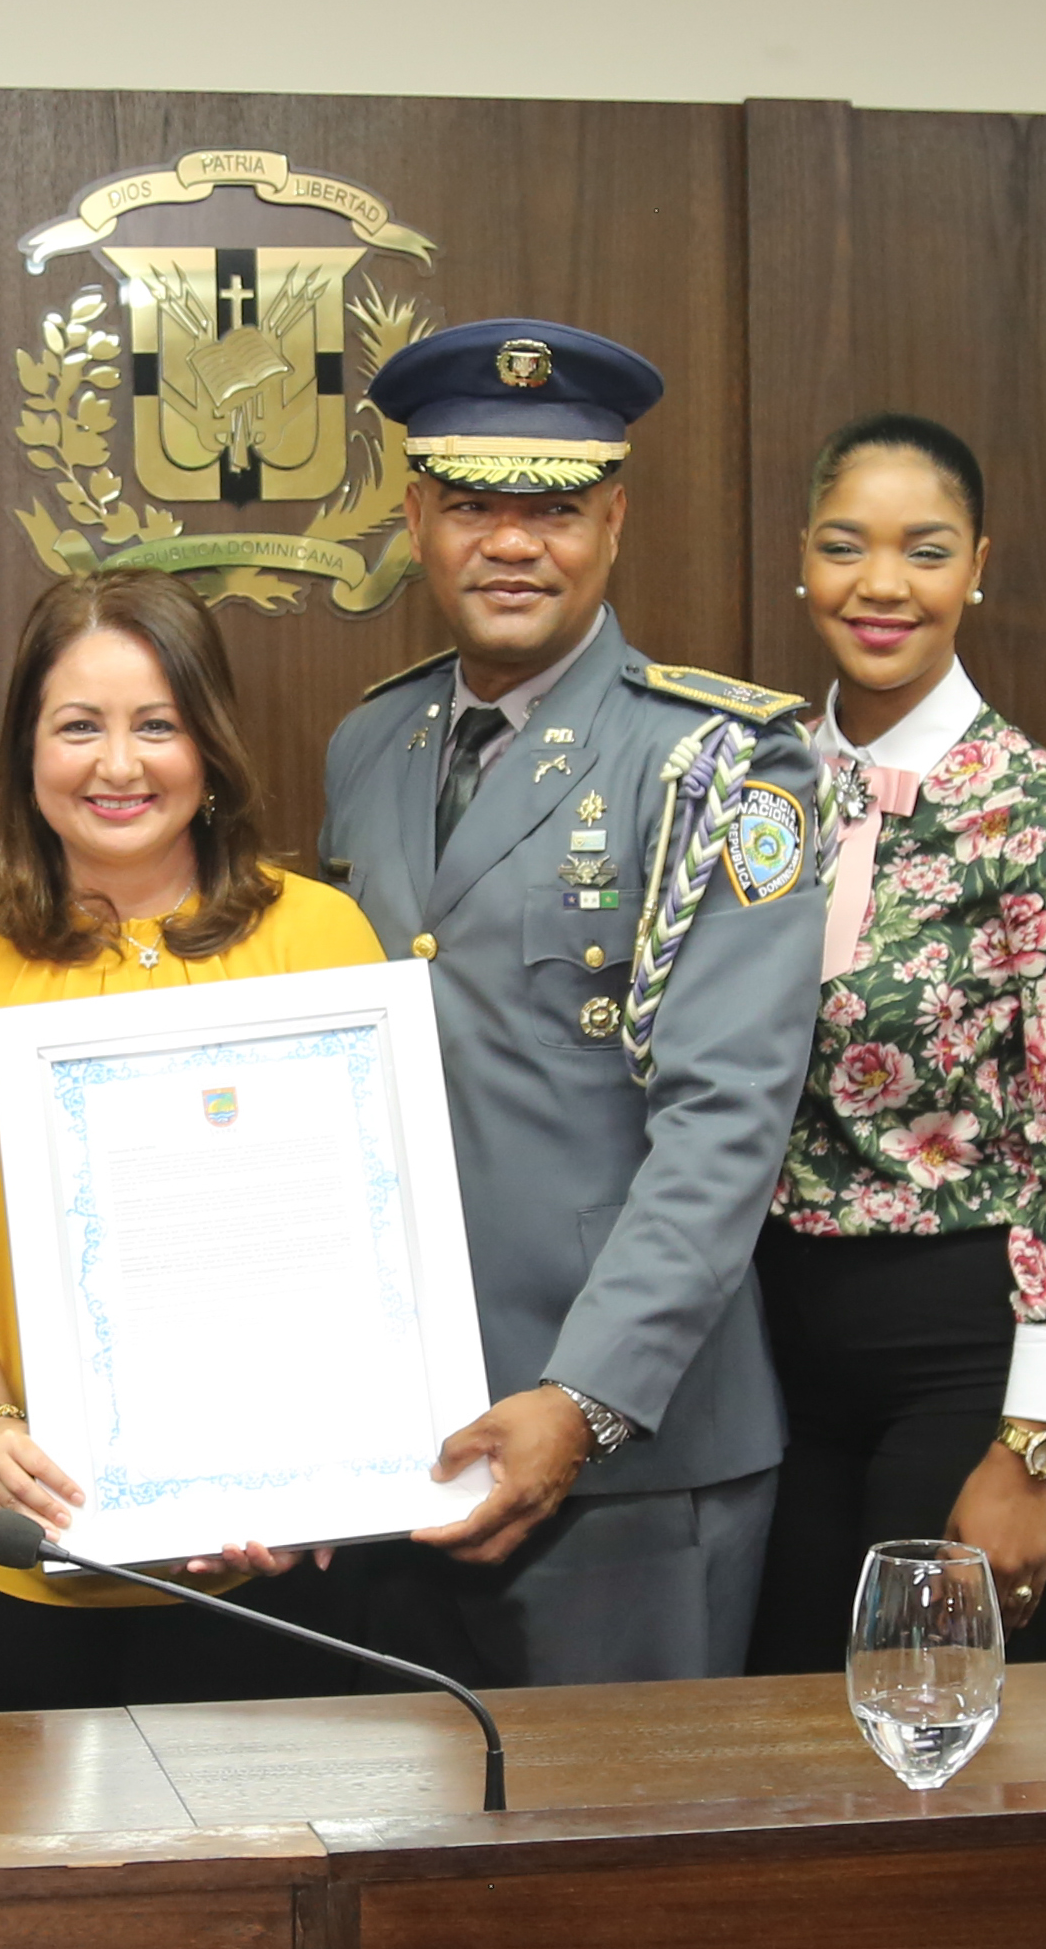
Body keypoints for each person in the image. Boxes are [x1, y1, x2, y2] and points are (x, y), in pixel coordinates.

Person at [311, 319, 827, 1686]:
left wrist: (585, 1395)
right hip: (395, 1438)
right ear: (414, 520)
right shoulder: (367, 745)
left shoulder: (724, 764)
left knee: (620, 1821)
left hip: (631, 1449)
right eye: (471, 506)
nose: (510, 544)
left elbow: (726, 1118)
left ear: (613, 522)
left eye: (551, 509)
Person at [0, 569, 389, 1709]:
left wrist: (321, 1470)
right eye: (78, 727)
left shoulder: (321, 935)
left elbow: (373, 1245)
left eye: (157, 724)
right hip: (7, 1544)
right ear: (26, 748)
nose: (118, 765)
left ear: (211, 745)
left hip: (273, 1556)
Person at [751, 414, 1046, 1667]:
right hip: (775, 1354)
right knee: (778, 1728)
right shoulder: (751, 788)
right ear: (801, 560)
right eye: (844, 546)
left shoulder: (1044, 809)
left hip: (972, 1353)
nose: (882, 584)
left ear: (977, 566)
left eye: (924, 551)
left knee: (929, 1722)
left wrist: (1035, 1444)